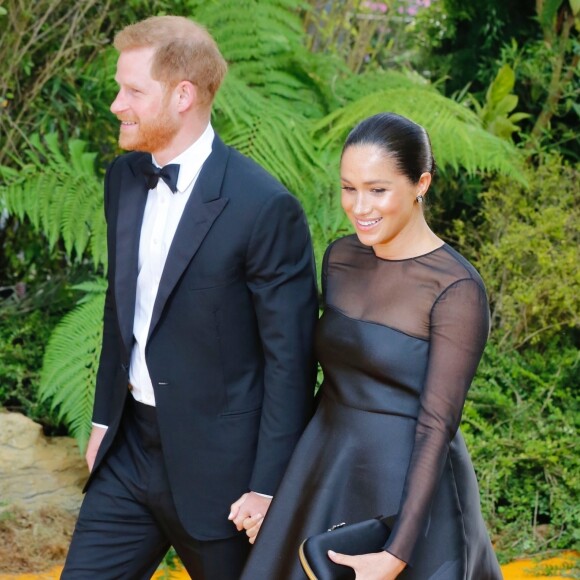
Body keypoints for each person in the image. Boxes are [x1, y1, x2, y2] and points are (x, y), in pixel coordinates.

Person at [61, 15, 318, 580]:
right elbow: (120, 307)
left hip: (224, 477)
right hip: (129, 455)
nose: (116, 105)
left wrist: (269, 486)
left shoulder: (264, 207)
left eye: (132, 91)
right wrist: (105, 418)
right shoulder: (123, 179)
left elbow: (290, 364)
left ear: (183, 95)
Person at [240, 112, 503, 579]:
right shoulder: (340, 259)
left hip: (408, 494)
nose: (359, 206)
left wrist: (396, 553)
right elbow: (321, 382)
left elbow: (436, 425)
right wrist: (278, 488)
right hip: (324, 469)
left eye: (377, 190)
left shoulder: (457, 288)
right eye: (348, 188)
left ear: (421, 183)